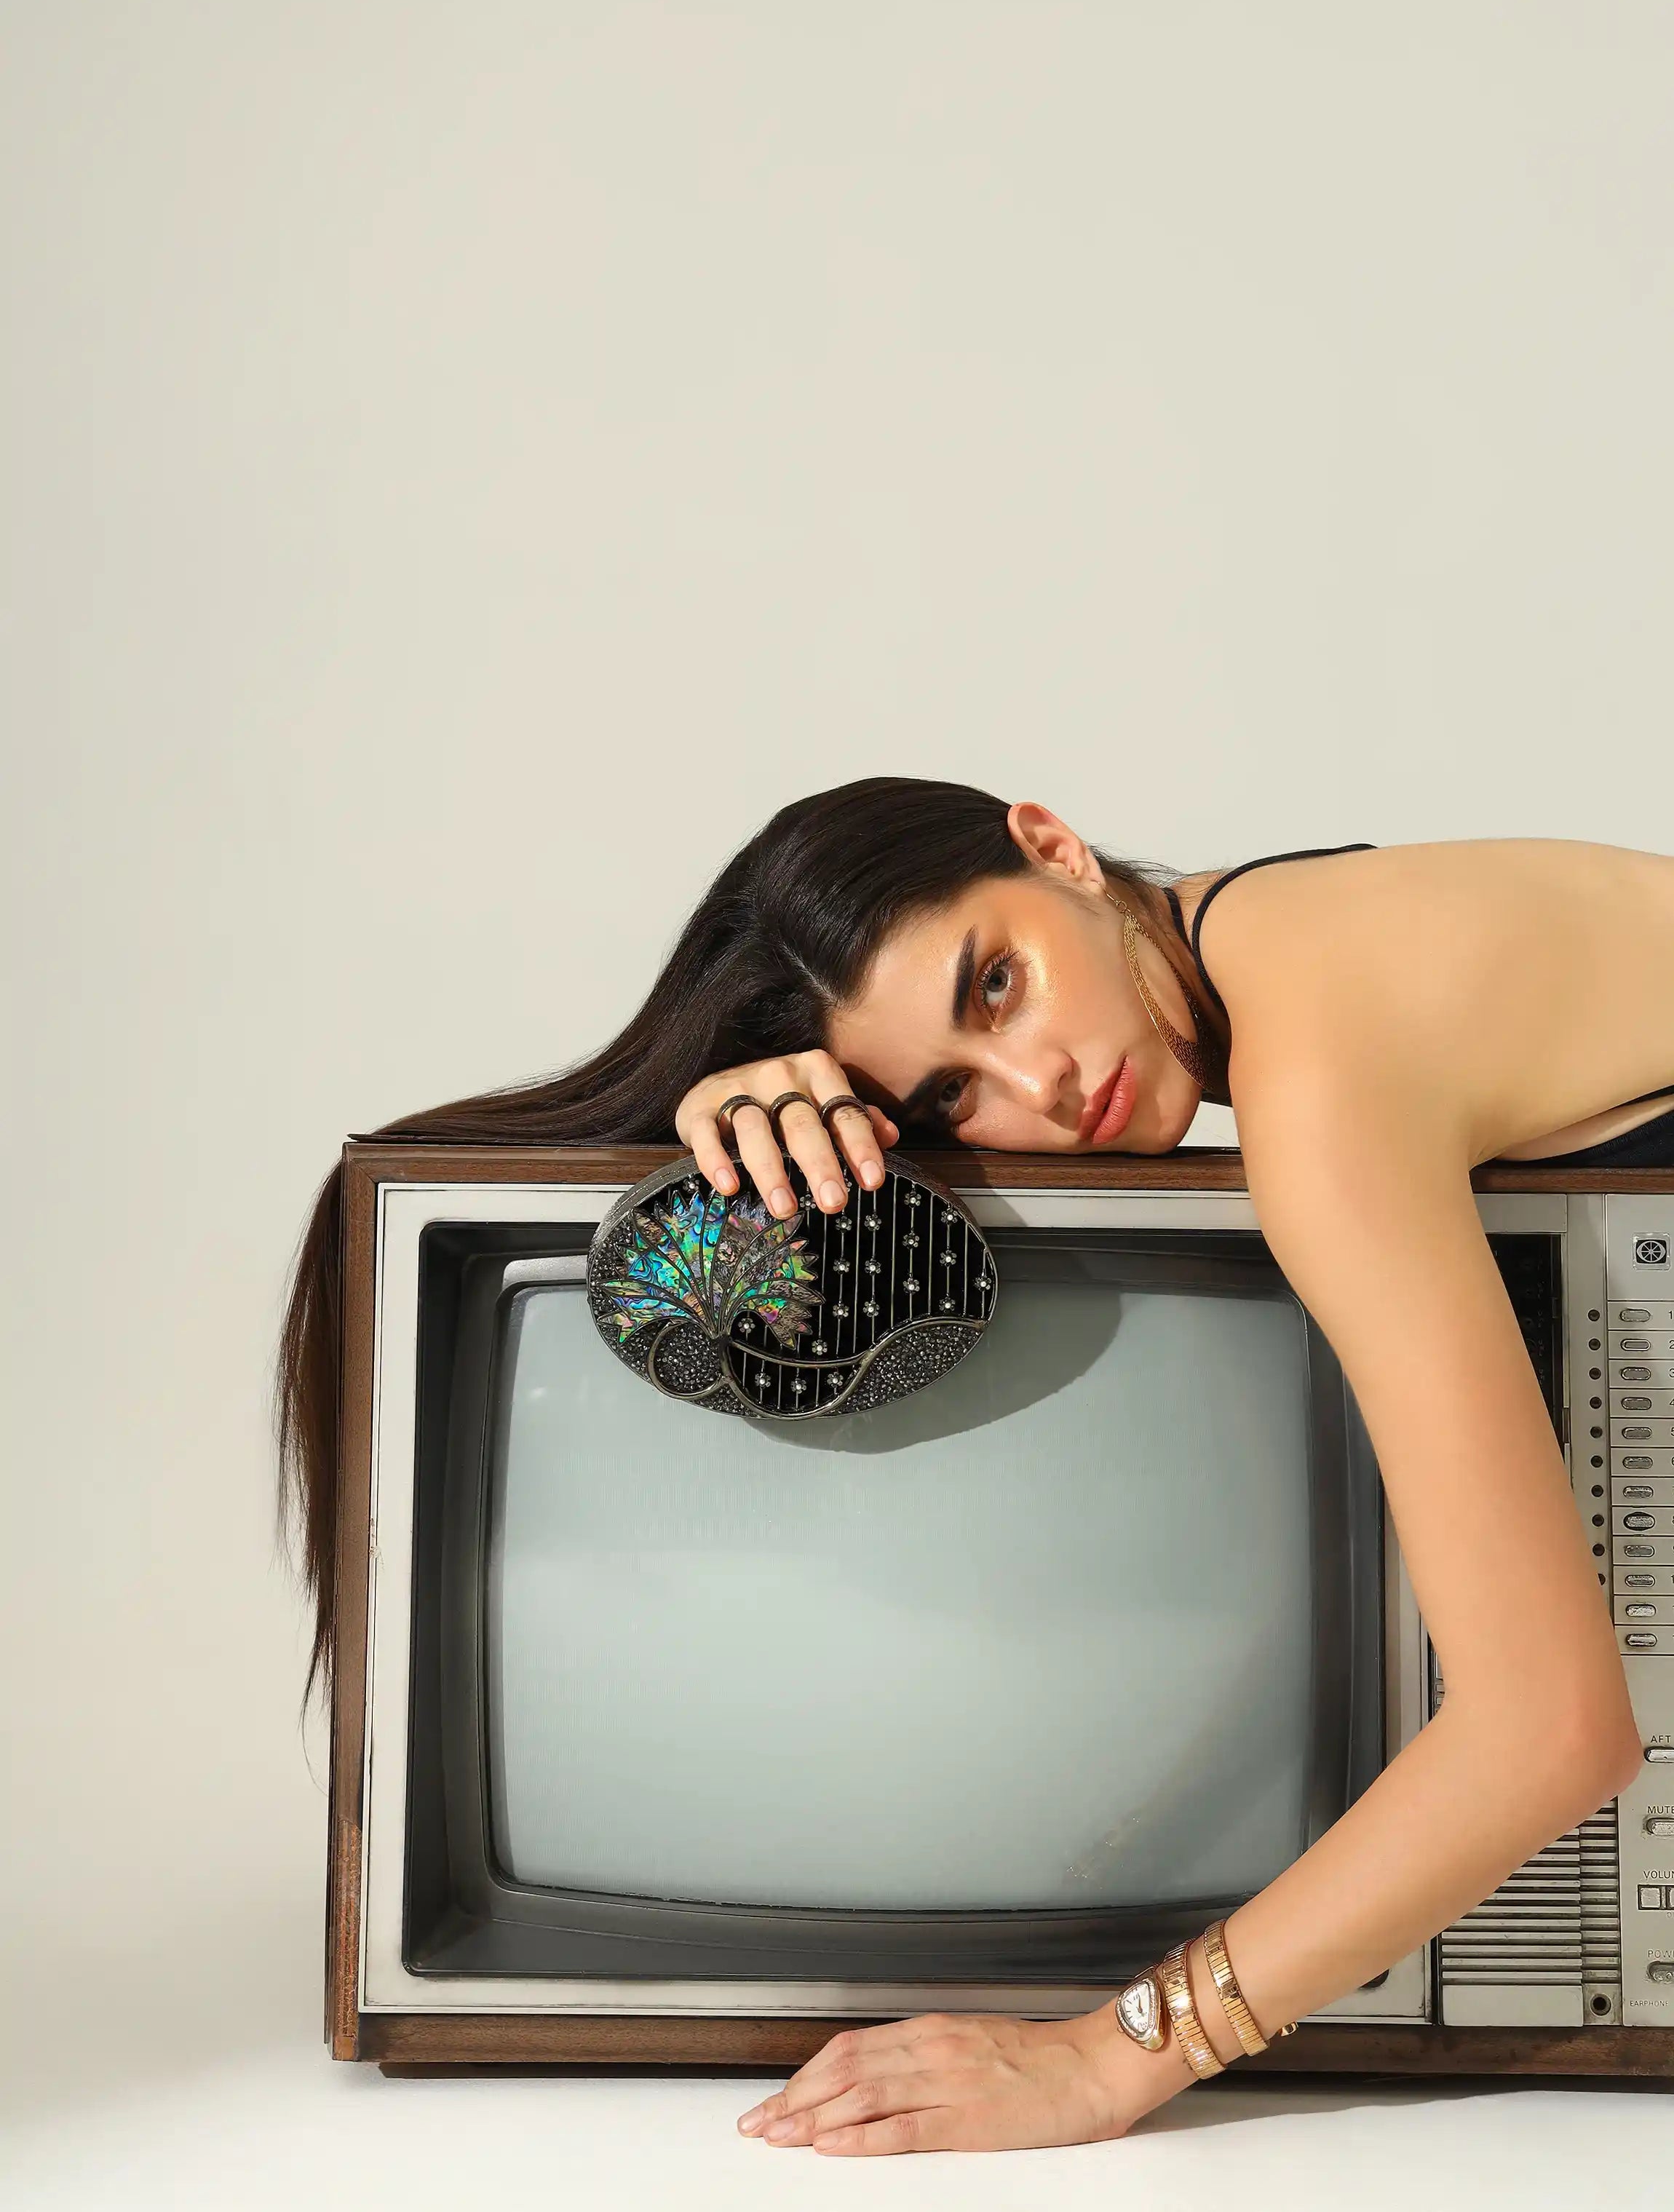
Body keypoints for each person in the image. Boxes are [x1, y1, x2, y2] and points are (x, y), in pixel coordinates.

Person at [277, 774, 1673, 2156]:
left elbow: (1549, 1728)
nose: (1041, 1087)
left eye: (994, 986)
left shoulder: (1319, 1085)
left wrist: (1108, 2059)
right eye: (951, 1093)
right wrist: (771, 1109)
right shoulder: (1281, 931)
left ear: (1053, 845)